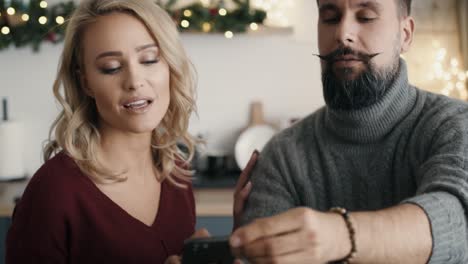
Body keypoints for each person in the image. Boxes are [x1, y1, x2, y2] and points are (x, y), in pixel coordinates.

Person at [5, 0, 254, 263]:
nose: (135, 81)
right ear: (85, 82)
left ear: (169, 65)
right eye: (111, 67)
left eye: (149, 60)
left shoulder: (176, 173)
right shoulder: (53, 191)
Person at [231, 0, 468, 263]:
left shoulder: (455, 124)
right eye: (330, 18)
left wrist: (340, 236)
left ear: (405, 35)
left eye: (365, 17)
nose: (343, 34)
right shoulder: (281, 155)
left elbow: (457, 220)